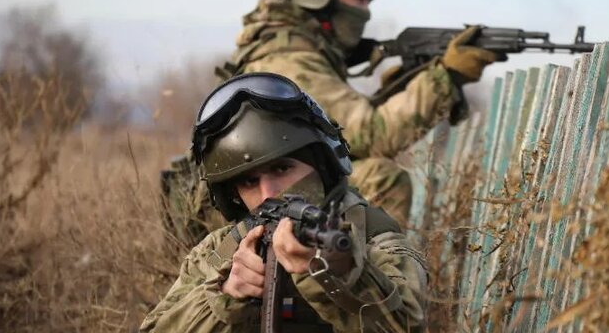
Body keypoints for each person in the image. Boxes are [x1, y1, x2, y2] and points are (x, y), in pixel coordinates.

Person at [211, 0, 496, 227]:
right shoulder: (292, 58)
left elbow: (332, 135)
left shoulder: (293, 48)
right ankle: (381, 271)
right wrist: (445, 78)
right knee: (381, 179)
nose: (366, 11)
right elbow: (371, 137)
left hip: (270, 183)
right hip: (255, 199)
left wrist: (396, 91)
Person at [141, 73, 428, 332]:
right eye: (249, 182)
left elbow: (406, 326)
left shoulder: (377, 240)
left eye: (281, 169)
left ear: (322, 165)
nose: (268, 193)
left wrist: (336, 274)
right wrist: (226, 296)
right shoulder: (221, 251)